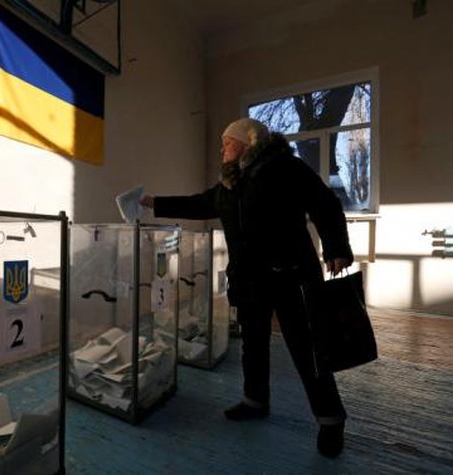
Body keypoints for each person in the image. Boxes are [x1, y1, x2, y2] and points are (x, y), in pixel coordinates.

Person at [141, 118, 354, 458]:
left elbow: (325, 203)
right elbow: (198, 203)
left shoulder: (284, 167)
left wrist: (337, 248)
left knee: (307, 348)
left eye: (227, 142)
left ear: (245, 142)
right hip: (251, 278)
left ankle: (330, 420)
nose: (222, 148)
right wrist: (153, 202)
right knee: (253, 344)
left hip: (291, 275)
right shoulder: (230, 182)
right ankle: (255, 401)